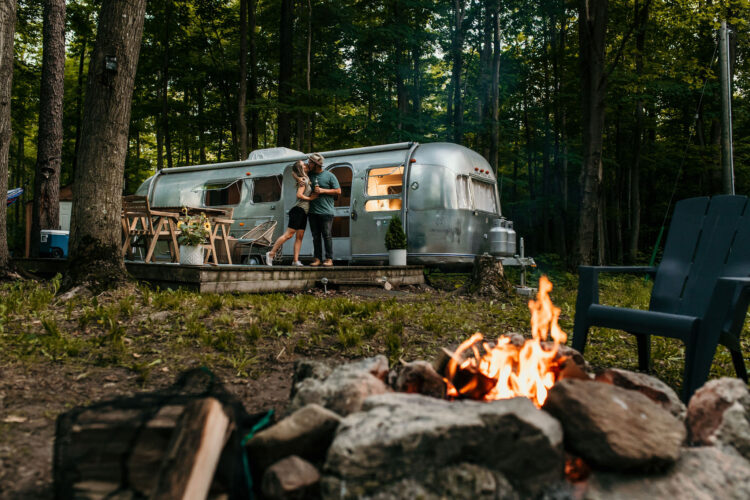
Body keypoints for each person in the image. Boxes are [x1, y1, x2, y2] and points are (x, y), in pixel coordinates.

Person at [265, 160, 317, 266]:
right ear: (301, 168)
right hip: (298, 210)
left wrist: (297, 177)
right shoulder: (304, 179)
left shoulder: (303, 177)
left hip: (304, 211)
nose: (306, 164)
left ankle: (295, 260)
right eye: (304, 164)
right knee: (288, 235)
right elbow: (299, 195)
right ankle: (271, 253)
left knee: (300, 236)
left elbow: (293, 172)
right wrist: (310, 198)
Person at [307, 153, 340, 266]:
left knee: (326, 235)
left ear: (316, 164)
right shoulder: (308, 175)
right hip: (312, 212)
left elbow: (338, 191)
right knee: (315, 236)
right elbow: (294, 172)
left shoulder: (329, 176)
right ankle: (317, 259)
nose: (308, 164)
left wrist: (322, 190)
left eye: (310, 162)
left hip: (326, 212)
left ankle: (329, 259)